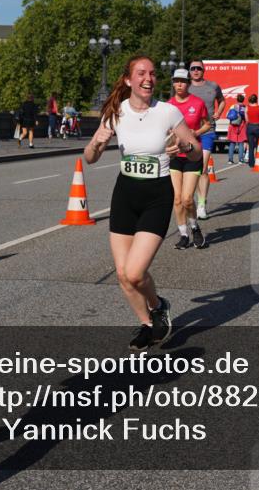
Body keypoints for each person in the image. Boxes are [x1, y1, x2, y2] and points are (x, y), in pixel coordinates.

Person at [84, 56, 200, 351]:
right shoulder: (115, 112)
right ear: (128, 80)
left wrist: (184, 146)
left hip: (157, 196)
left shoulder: (168, 112)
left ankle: (158, 304)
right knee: (123, 274)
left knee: (135, 272)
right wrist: (97, 141)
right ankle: (149, 323)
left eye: (152, 73)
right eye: (141, 73)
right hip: (124, 195)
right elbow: (90, 157)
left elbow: (196, 152)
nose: (148, 78)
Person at [166, 69, 211, 249]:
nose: (179, 84)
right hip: (176, 156)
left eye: (183, 81)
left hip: (193, 155)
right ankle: (183, 235)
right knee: (177, 199)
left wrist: (196, 132)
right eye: (176, 81)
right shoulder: (168, 106)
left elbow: (208, 123)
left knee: (186, 199)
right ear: (173, 83)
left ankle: (195, 228)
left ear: (188, 83)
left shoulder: (197, 103)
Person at [188, 59, 225, 219]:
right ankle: (192, 200)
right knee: (193, 170)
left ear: (204, 70)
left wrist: (219, 112)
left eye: (199, 68)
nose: (196, 71)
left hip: (207, 131)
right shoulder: (185, 87)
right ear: (189, 71)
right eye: (193, 69)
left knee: (202, 168)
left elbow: (222, 101)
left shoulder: (213, 86)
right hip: (188, 132)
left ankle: (201, 203)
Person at [226, 93, 248, 164]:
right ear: (243, 100)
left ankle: (230, 160)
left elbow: (227, 115)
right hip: (242, 125)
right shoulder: (244, 107)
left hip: (233, 126)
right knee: (241, 143)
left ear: (237, 99)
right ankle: (240, 160)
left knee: (232, 143)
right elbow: (246, 117)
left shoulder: (233, 106)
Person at [246, 93, 259, 168]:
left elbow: (246, 119)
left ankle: (251, 163)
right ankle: (258, 160)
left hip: (250, 126)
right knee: (258, 144)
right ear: (256, 100)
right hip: (258, 126)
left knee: (251, 145)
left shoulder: (247, 108)